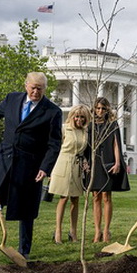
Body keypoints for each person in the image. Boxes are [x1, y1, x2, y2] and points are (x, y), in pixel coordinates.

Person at [0, 72, 62, 261]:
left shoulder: (52, 111)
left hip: (30, 168)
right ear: (26, 85)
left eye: (40, 88)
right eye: (33, 87)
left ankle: (24, 251)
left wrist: (45, 167)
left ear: (45, 89)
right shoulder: (12, 99)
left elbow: (54, 144)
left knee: (26, 210)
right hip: (5, 162)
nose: (36, 91)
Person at [85, 97, 129, 243]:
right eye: (97, 108)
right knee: (95, 196)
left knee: (106, 196)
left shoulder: (112, 125)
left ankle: (106, 231)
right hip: (94, 163)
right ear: (94, 109)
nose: (100, 111)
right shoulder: (90, 126)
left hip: (108, 162)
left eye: (103, 108)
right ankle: (97, 231)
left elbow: (116, 145)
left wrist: (117, 163)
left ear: (107, 109)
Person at [49, 104, 91, 244]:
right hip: (63, 164)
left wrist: (85, 162)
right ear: (72, 116)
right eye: (77, 116)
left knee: (75, 199)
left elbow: (83, 151)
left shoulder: (85, 132)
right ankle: (58, 231)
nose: (79, 119)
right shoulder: (64, 128)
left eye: (82, 117)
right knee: (63, 197)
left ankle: (73, 232)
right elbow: (55, 148)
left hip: (77, 166)